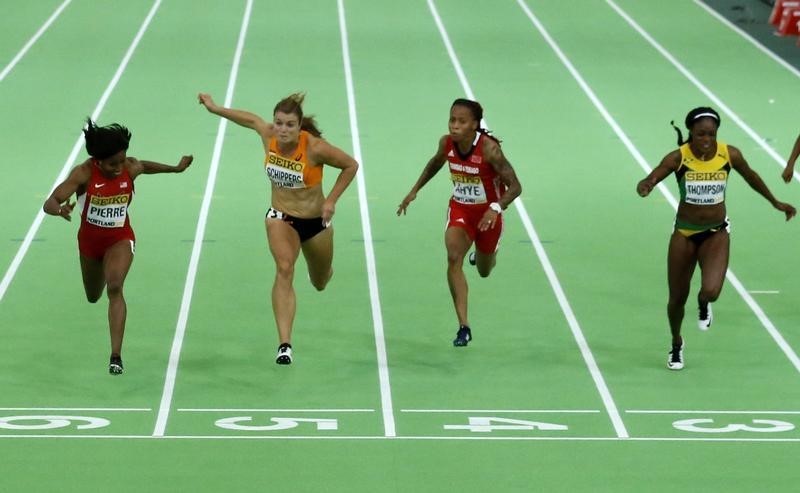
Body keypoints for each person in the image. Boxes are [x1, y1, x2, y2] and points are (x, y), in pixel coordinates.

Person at [198, 92, 358, 365]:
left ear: (299, 126)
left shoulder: (315, 148)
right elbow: (250, 119)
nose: (282, 130)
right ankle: (285, 345)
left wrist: (331, 200)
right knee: (285, 268)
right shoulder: (269, 135)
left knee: (320, 282)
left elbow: (350, 165)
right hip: (281, 217)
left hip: (316, 223)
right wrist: (215, 108)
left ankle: (323, 272)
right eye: (279, 123)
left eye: (289, 125)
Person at [636, 107, 795, 371]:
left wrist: (775, 202)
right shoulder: (678, 157)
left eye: (712, 134)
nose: (707, 139)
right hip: (684, 233)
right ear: (691, 132)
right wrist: (647, 184)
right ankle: (676, 343)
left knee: (711, 291)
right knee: (676, 299)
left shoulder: (729, 154)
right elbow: (654, 175)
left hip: (716, 232)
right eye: (701, 134)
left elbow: (752, 177)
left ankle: (703, 303)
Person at [43, 118, 193, 375]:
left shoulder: (128, 168)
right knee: (93, 296)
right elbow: (50, 202)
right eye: (113, 163)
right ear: (98, 161)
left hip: (120, 239)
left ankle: (115, 356)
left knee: (114, 286)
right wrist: (60, 210)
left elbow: (144, 165)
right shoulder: (84, 173)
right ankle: (102, 272)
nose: (119, 167)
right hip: (90, 244)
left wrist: (176, 169)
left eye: (122, 161)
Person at [397, 98, 522, 347]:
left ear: (474, 125)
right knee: (454, 257)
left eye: (461, 121)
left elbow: (516, 186)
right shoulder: (446, 143)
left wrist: (496, 208)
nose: (454, 125)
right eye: (452, 120)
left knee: (484, 271)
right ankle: (464, 326)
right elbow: (435, 163)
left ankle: (485, 254)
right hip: (460, 210)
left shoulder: (489, 150)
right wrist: (414, 190)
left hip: (487, 216)